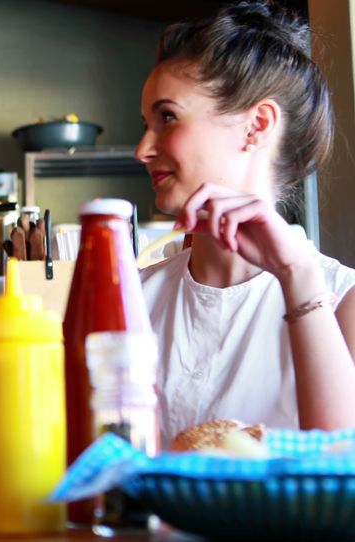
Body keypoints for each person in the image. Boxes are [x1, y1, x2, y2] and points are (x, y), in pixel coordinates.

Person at [135, 1, 355, 446]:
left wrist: (299, 279)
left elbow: (340, 472)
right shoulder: (133, 300)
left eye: (168, 117)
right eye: (146, 123)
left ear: (257, 126)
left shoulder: (344, 303)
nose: (142, 149)